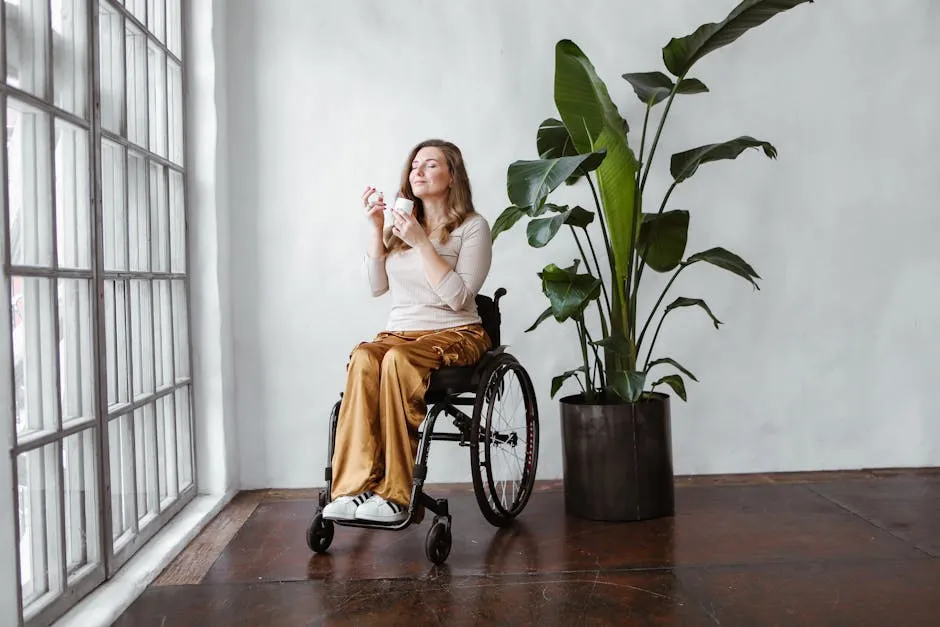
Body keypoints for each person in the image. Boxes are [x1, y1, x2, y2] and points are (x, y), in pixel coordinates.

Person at [323, 139, 493, 524]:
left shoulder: (472, 228)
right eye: (414, 165)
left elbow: (458, 297)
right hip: (401, 334)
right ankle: (353, 488)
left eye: (430, 165)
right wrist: (377, 228)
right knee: (365, 356)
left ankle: (397, 495)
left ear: (452, 176)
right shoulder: (402, 225)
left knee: (397, 361)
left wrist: (422, 243)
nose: (417, 171)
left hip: (456, 332)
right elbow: (376, 286)